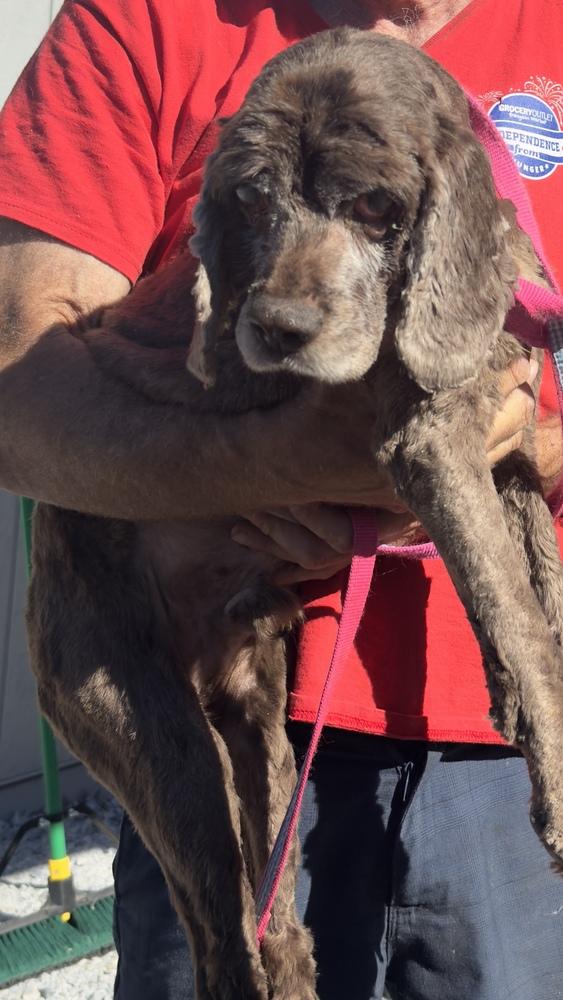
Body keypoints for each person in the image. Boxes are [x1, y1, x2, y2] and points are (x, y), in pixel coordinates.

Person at [0, 1, 561, 997]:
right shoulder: (144, 20)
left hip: (501, 767)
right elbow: (12, 387)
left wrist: (535, 440)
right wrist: (267, 463)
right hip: (217, 730)